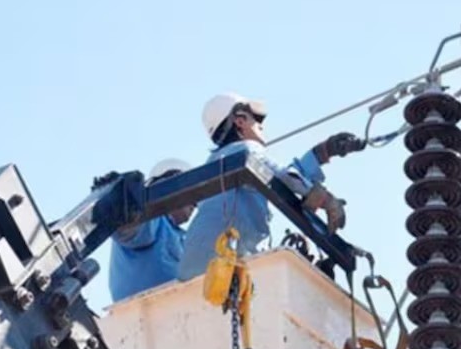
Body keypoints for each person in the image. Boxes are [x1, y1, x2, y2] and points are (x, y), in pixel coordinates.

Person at [177, 92, 366, 280]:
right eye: (256, 118)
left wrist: (323, 152)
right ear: (240, 121)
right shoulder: (246, 150)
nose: (261, 124)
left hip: (193, 273)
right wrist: (325, 199)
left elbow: (278, 178)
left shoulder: (216, 162)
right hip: (228, 266)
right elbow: (284, 177)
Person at [108, 158, 196, 301]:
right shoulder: (153, 220)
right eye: (192, 192)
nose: (195, 202)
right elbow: (129, 230)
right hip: (147, 309)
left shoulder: (183, 237)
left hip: (182, 307)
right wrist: (126, 204)